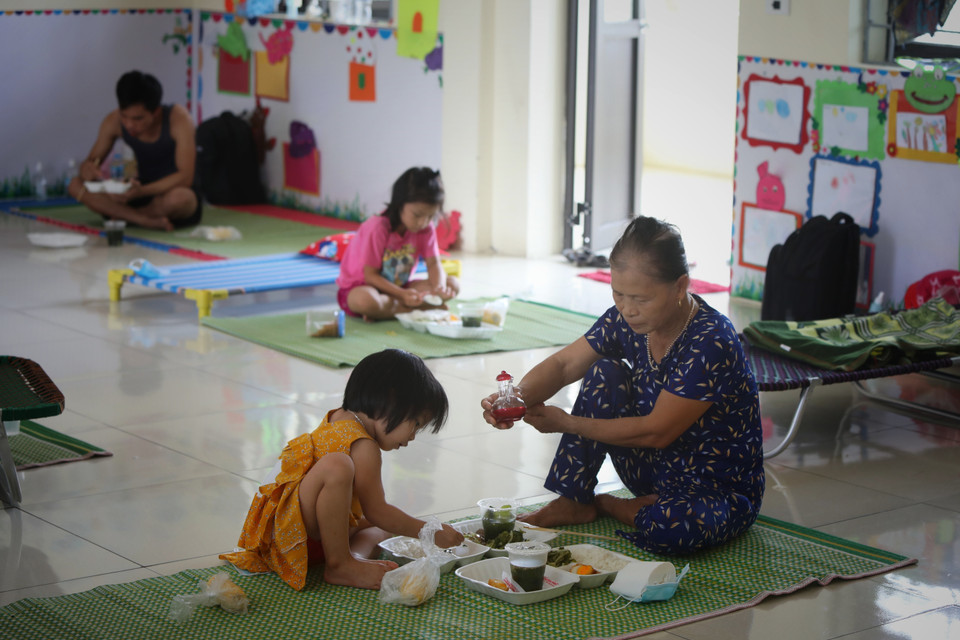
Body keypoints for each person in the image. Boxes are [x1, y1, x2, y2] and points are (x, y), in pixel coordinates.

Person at [481, 216, 764, 555]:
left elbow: (656, 432)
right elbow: (564, 364)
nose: (628, 310)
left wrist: (567, 422)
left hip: (714, 487)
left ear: (680, 286)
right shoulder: (625, 320)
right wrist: (515, 399)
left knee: (672, 527)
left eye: (641, 299)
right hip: (651, 468)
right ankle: (574, 500)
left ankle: (609, 505)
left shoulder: (711, 340)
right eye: (618, 294)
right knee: (605, 372)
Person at [221, 349, 464, 590]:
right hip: (291, 540)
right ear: (390, 401)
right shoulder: (364, 445)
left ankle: (354, 560)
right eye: (416, 424)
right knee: (338, 467)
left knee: (383, 528)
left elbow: (373, 516)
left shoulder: (339, 417)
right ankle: (340, 564)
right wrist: (430, 531)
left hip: (296, 536)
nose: (412, 436)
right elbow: (378, 510)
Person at [67, 70, 201, 231]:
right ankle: (143, 220)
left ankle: (121, 215)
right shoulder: (113, 121)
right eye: (124, 116)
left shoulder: (179, 119)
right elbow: (90, 163)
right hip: (138, 191)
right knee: (75, 185)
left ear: (156, 112)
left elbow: (185, 177)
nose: (129, 124)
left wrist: (142, 191)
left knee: (182, 198)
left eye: (138, 118)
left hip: (167, 192)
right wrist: (87, 169)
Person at [336, 167, 459, 321]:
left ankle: (388, 310)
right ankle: (412, 307)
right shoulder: (378, 228)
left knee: (453, 284)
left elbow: (434, 263)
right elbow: (370, 276)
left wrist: (439, 288)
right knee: (365, 301)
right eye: (417, 215)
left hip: (401, 287)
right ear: (400, 204)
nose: (423, 222)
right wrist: (402, 295)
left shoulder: (426, 228)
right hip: (364, 286)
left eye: (430, 216)